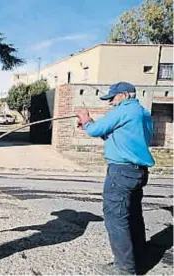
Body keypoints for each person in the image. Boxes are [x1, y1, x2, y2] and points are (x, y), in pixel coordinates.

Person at [77, 82, 155, 275]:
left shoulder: (124, 110)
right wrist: (91, 126)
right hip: (139, 171)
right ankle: (138, 259)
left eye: (113, 98)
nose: (111, 103)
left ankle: (125, 269)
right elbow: (121, 137)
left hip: (120, 172)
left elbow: (95, 130)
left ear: (125, 95)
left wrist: (86, 121)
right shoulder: (143, 113)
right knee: (134, 216)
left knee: (116, 219)